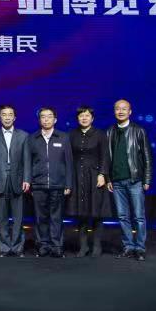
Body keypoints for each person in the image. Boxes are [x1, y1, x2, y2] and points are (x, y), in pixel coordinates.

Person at [106, 99, 153, 262]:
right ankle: (128, 247)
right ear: (114, 111)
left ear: (130, 112)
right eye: (117, 109)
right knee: (122, 217)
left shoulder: (138, 130)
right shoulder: (110, 131)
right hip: (116, 182)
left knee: (139, 217)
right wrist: (108, 178)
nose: (120, 111)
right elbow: (107, 158)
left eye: (124, 109)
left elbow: (147, 157)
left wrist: (147, 179)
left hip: (135, 180)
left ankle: (140, 248)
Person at [28, 107, 73, 258]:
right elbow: (28, 163)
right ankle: (43, 245)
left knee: (56, 217)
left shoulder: (63, 137)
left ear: (55, 119)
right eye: (43, 117)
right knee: (40, 217)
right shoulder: (32, 138)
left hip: (58, 184)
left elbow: (69, 162)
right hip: (38, 184)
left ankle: (57, 246)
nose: (46, 119)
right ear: (39, 120)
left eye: (49, 116)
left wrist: (68, 184)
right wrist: (30, 182)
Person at [0, 105, 31, 257]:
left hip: (18, 180)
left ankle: (18, 248)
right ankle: (4, 247)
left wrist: (27, 179)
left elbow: (27, 160)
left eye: (10, 114)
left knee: (19, 217)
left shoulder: (23, 135)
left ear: (14, 117)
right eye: (4, 115)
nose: (7, 117)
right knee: (1, 217)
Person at [68, 106, 112, 258]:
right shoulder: (72, 135)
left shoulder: (100, 134)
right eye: (81, 115)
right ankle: (83, 246)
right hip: (77, 177)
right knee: (81, 212)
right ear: (77, 118)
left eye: (87, 115)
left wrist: (102, 174)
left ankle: (97, 245)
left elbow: (105, 156)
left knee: (97, 212)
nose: (84, 118)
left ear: (92, 118)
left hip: (95, 176)